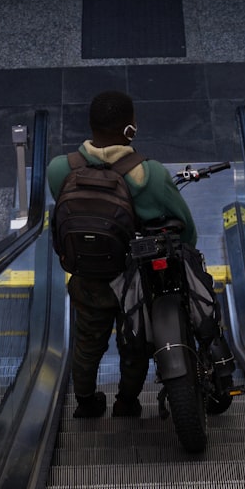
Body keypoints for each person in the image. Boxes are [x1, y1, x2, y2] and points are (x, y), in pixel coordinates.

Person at [46, 90, 197, 419]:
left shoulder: (60, 169)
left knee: (87, 344)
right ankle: (127, 402)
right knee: (135, 345)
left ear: (91, 124)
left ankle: (86, 404)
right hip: (136, 281)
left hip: (87, 279)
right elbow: (185, 230)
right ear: (130, 130)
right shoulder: (150, 174)